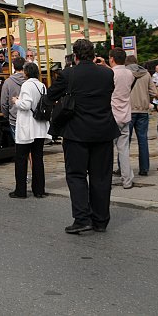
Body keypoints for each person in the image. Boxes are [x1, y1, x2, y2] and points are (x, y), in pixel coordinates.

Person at [47, 39, 119, 234]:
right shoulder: (107, 73)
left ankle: (82, 218)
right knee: (101, 177)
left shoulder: (69, 73)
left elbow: (50, 95)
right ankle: (101, 220)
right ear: (94, 54)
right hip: (104, 131)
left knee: (77, 175)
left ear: (75, 55)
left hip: (76, 132)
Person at [11, 62, 50, 198]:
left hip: (27, 128)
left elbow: (26, 104)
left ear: (26, 72)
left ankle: (20, 191)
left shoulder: (27, 85)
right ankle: (39, 190)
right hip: (39, 127)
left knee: (21, 159)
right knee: (38, 159)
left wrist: (16, 101)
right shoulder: (42, 85)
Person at [106, 48, 135, 190]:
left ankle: (106, 180)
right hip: (126, 114)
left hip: (112, 114)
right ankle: (127, 180)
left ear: (111, 59)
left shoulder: (111, 74)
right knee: (124, 150)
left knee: (107, 150)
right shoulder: (129, 73)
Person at [126, 54, 157, 176]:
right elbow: (154, 91)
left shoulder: (125, 74)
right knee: (143, 140)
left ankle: (123, 168)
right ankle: (144, 168)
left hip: (129, 110)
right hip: (143, 110)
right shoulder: (146, 74)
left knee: (125, 141)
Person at [0, 57, 26, 139]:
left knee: (19, 144)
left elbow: (4, 102)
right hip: (28, 117)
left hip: (14, 117)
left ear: (14, 67)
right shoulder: (29, 80)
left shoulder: (8, 82)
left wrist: (7, 115)